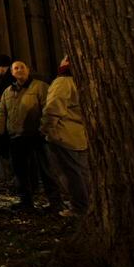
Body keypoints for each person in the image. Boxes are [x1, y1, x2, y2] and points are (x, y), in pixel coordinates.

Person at [0, 60, 62, 212]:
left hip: (36, 136)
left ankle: (55, 201)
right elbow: (2, 113)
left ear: (28, 70)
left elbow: (47, 108)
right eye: (15, 68)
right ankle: (26, 201)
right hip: (17, 137)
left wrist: (44, 129)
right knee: (21, 171)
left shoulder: (40, 87)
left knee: (46, 170)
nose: (19, 70)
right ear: (11, 72)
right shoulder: (8, 91)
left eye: (21, 67)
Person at [41, 56, 89, 216]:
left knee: (71, 173)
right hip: (79, 134)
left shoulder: (63, 82)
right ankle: (86, 203)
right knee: (82, 172)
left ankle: (79, 206)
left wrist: (46, 128)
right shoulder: (82, 81)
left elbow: (54, 107)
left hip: (64, 134)